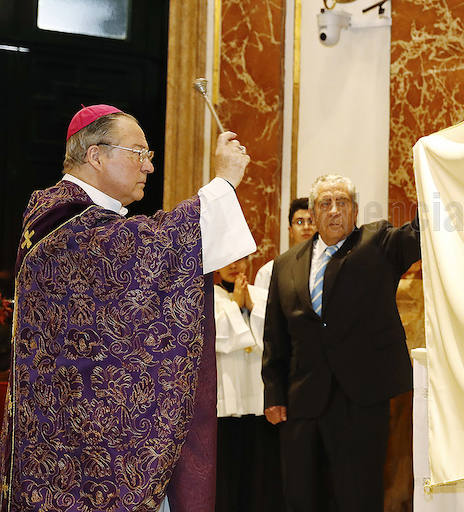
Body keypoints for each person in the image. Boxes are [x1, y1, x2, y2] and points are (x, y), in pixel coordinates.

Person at [2, 104, 255, 511]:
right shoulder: (66, 226)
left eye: (150, 155)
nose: (148, 167)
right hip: (79, 454)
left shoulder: (65, 219)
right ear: (96, 155)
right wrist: (223, 183)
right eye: (139, 152)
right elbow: (150, 250)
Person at [262, 174, 420, 512]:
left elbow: (422, 234)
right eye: (325, 204)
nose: (334, 211)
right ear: (314, 214)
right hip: (302, 404)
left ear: (355, 210)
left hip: (361, 401)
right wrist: (273, 394)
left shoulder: (377, 242)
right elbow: (275, 337)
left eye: (342, 203)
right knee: (301, 498)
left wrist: (439, 179)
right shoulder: (286, 264)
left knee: (358, 498)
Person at [214, 256, 283, 512]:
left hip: (257, 396)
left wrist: (251, 307)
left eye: (239, 259)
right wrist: (234, 306)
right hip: (227, 397)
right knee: (229, 473)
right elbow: (217, 340)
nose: (233, 265)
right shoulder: (207, 297)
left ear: (248, 262)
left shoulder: (262, 296)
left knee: (259, 472)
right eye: (227, 260)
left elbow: (276, 338)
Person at [254, 197, 316, 289]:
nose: (306, 227)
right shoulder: (270, 271)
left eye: (311, 221)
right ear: (290, 230)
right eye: (299, 222)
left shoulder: (324, 266)